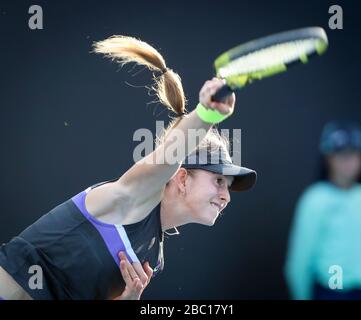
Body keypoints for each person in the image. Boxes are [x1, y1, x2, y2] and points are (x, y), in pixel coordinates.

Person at [0, 35, 257, 300]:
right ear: (181, 178)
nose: (226, 195)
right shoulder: (131, 200)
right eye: (218, 181)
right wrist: (207, 115)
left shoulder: (153, 260)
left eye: (227, 186)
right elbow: (170, 154)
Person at [285, 121, 361, 300]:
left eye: (355, 154)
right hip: (331, 290)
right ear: (328, 158)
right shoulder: (314, 199)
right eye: (342, 154)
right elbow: (298, 261)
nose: (349, 162)